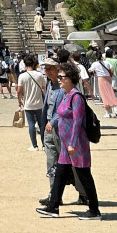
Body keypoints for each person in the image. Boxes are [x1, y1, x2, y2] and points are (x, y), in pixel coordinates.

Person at [36, 62, 101, 219]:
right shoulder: (67, 95)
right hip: (66, 145)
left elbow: (78, 122)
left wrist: (72, 143)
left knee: (84, 176)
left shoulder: (77, 97)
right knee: (59, 174)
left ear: (70, 78)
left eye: (62, 77)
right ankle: (53, 207)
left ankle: (94, 210)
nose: (59, 79)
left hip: (76, 145)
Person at [38, 57, 87, 207]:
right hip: (48, 129)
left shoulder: (64, 88)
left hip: (62, 129)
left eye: (50, 68)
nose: (47, 71)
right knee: (51, 162)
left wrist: (52, 122)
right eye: (45, 68)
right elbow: (47, 107)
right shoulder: (50, 85)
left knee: (71, 164)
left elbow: (62, 110)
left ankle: (84, 193)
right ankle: (54, 195)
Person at [17, 55, 46, 151]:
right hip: (39, 103)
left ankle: (34, 145)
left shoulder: (22, 76)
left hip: (28, 103)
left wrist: (19, 100)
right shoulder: (40, 75)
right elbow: (43, 89)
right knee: (42, 125)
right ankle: (44, 145)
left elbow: (19, 90)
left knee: (31, 124)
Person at [89, 51, 117, 119]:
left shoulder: (95, 63)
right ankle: (109, 110)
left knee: (104, 95)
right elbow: (112, 69)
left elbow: (90, 70)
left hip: (101, 79)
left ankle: (107, 112)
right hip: (108, 78)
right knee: (109, 93)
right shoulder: (106, 62)